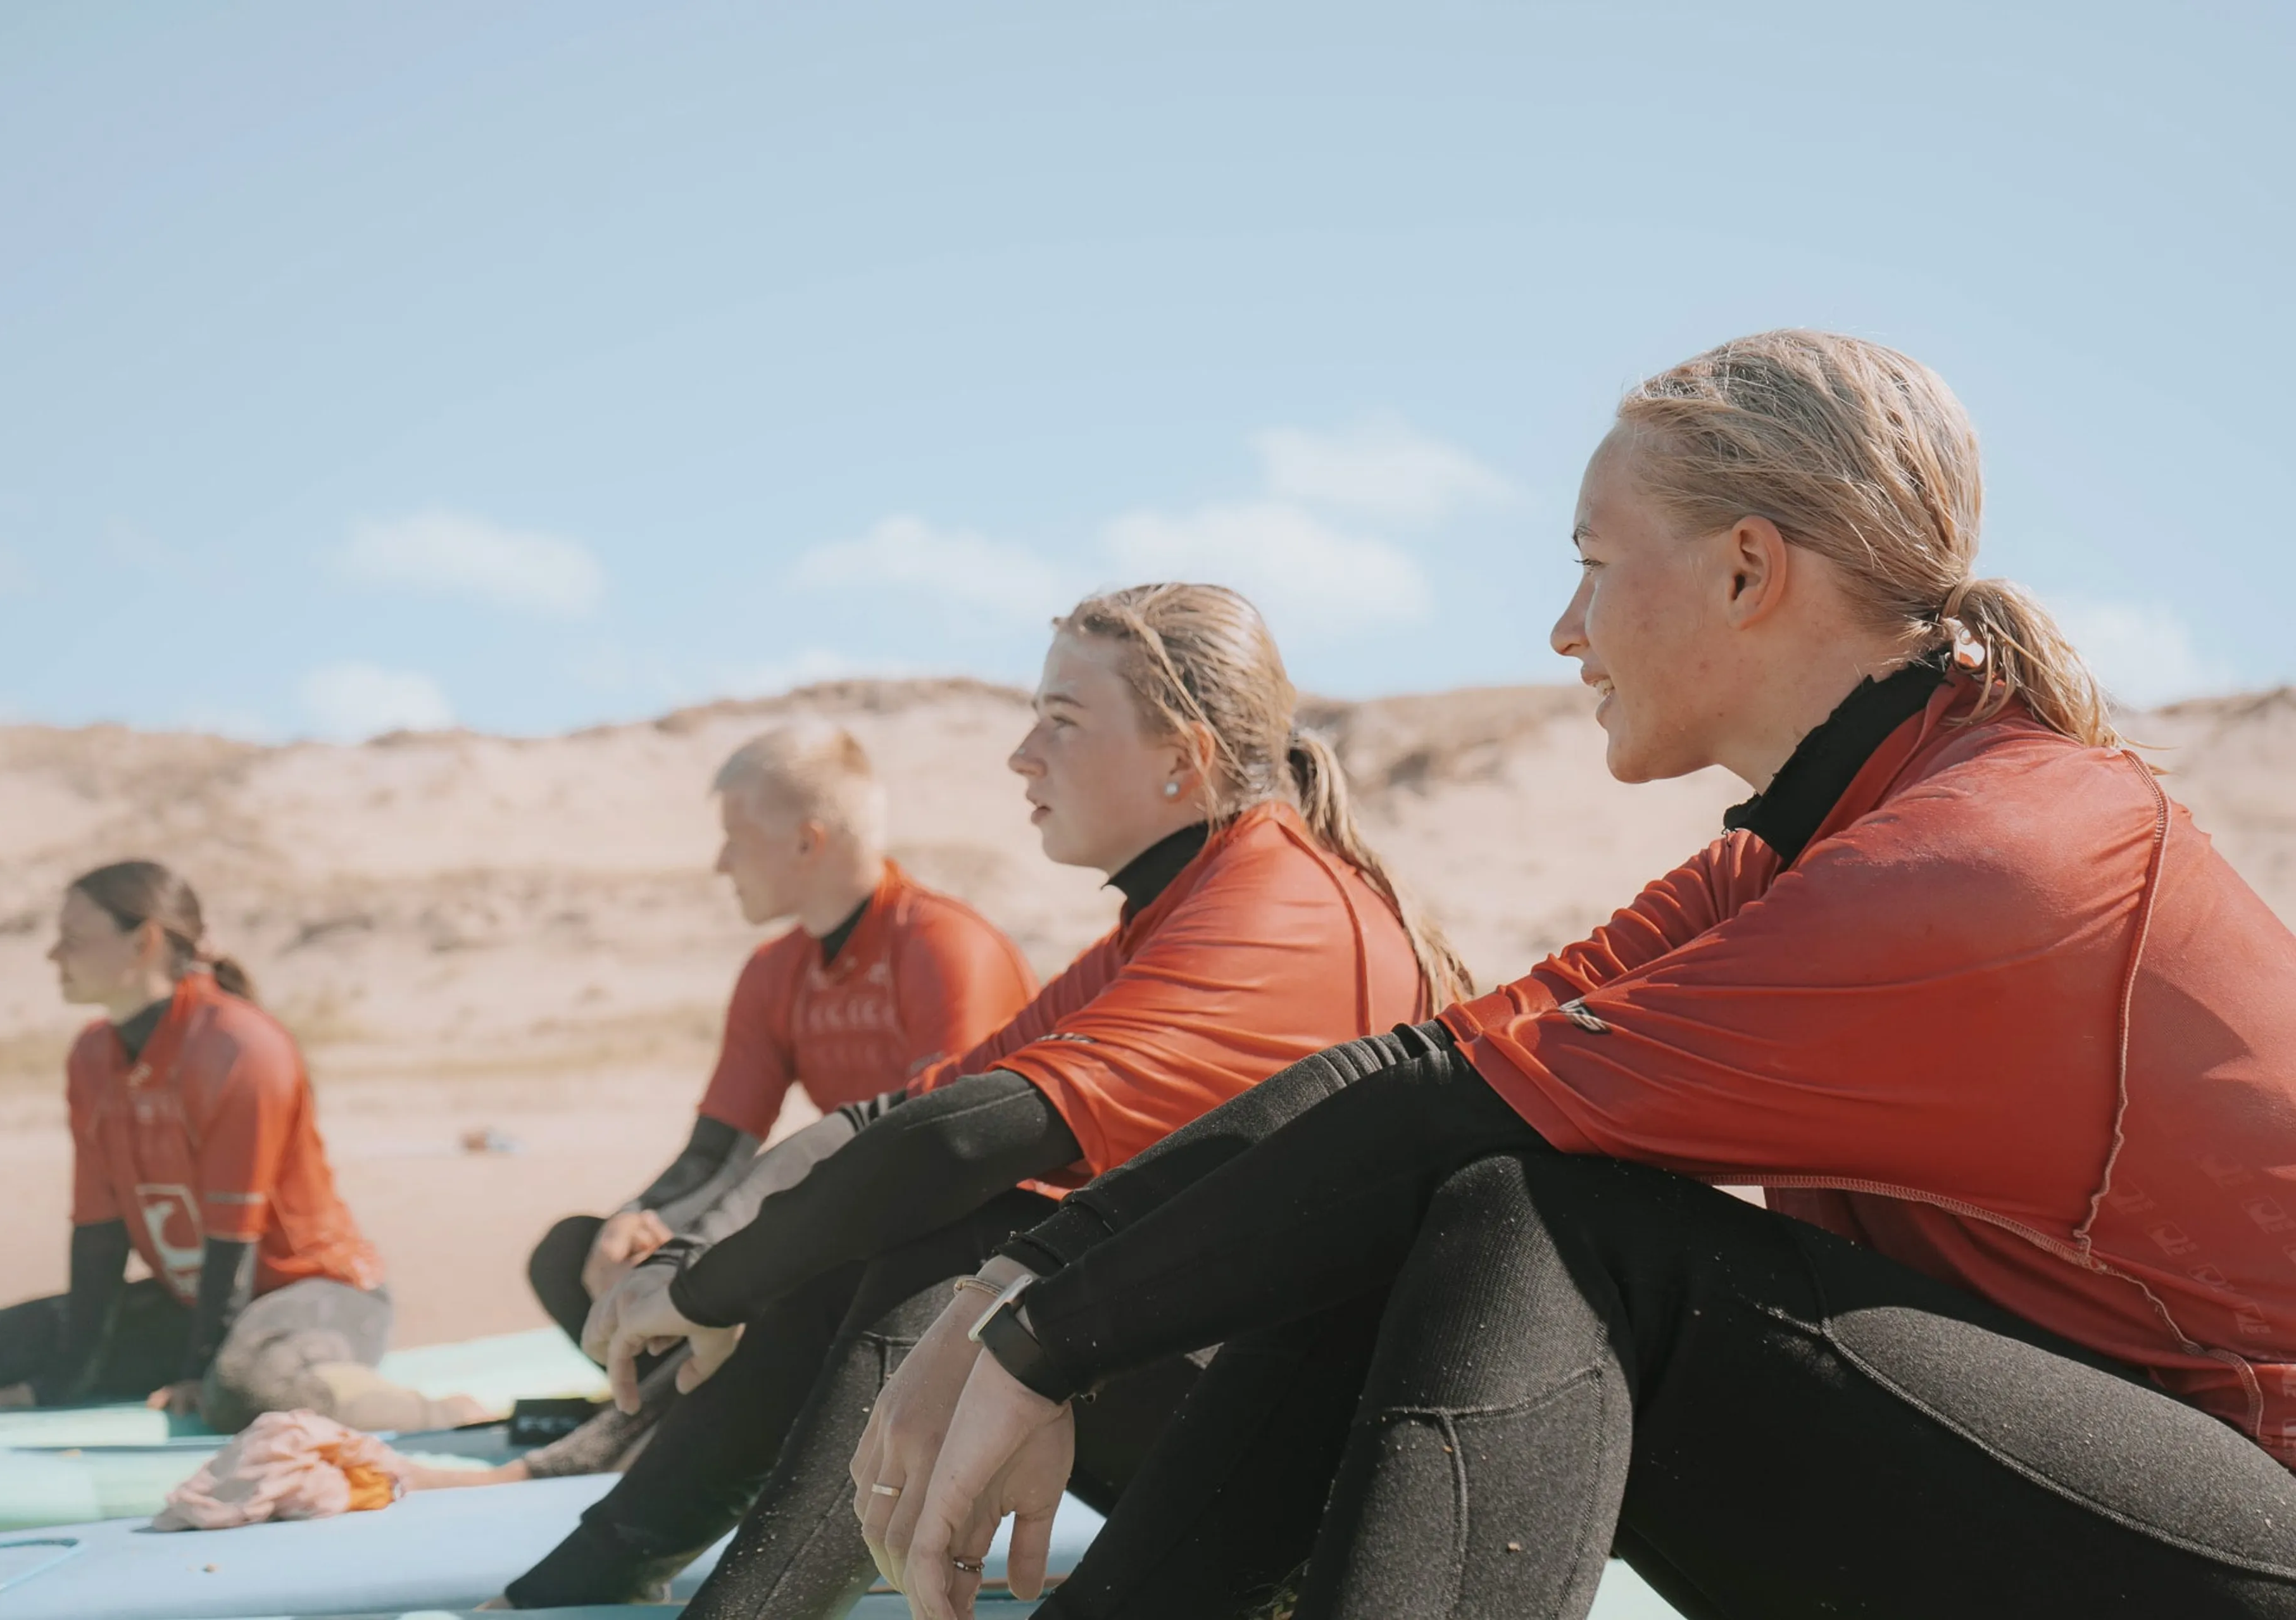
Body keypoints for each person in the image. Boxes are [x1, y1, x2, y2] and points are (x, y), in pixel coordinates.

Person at [867, 332, 2296, 1620]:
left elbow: (1442, 1117)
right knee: (1435, 1189)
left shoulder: (1982, 852)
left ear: (1747, 571)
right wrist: (1030, 1271)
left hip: (2239, 1536)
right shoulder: (1810, 851)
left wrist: (1037, 1340)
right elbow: (1421, 1072)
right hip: (2051, 1495)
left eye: (1595, 566)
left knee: (1541, 1215)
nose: (1565, 628)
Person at [492, 583, 1469, 1610]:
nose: (1021, 754)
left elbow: (957, 1145)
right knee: (891, 1226)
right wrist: (693, 1260)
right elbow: (894, 1119)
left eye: (1062, 720)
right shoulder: (1181, 909)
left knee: (958, 1239)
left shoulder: (1278, 908)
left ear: (1183, 757)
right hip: (1237, 1417)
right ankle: (584, 1579)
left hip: (1324, 1495)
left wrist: (707, 1287)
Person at [0, 860, 480, 1434]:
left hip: (319, 1294)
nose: (54, 955)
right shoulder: (92, 1056)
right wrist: (61, 1382)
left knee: (245, 1389)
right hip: (196, 1305)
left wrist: (199, 1372)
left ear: (144, 943)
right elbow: (100, 1239)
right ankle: (219, 1368)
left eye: (73, 939)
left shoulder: (238, 1047)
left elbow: (233, 1240)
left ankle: (438, 1414)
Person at [522, 722, 1037, 1355]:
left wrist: (742, 1254)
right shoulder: (774, 971)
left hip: (964, 1253)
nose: (720, 863)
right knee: (576, 1253)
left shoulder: (946, 947)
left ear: (805, 842)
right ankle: (663, 1394)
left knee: (783, 1274)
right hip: (844, 1224)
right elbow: (716, 1154)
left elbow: (951, 1159)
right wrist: (639, 1218)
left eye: (734, 839)